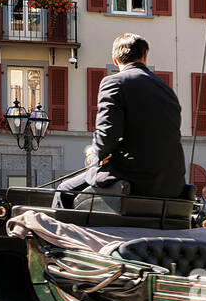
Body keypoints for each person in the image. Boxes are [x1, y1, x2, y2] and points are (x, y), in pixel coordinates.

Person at [55, 33, 185, 203]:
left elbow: (107, 135)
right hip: (172, 184)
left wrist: (94, 156)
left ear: (115, 60)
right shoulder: (167, 90)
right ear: (145, 56)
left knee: (63, 190)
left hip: (133, 180)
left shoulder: (114, 82)